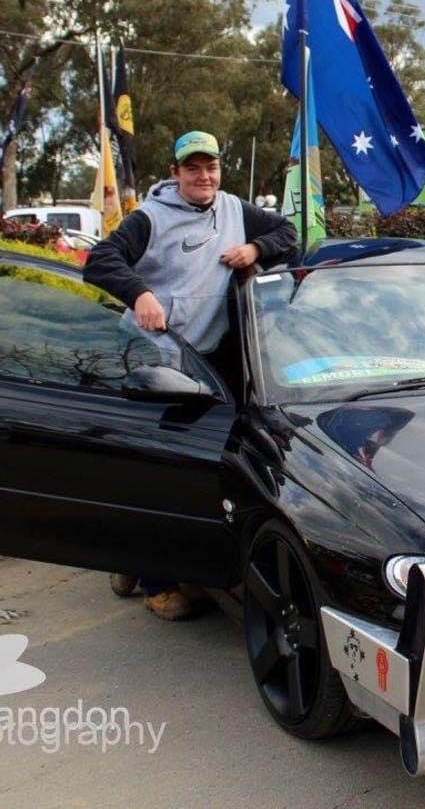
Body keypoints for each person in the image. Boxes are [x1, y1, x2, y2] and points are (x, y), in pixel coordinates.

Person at [83, 129, 298, 621]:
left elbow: (288, 234)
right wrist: (139, 294)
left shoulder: (233, 208)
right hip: (153, 358)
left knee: (199, 469)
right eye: (193, 168)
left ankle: (131, 561)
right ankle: (155, 579)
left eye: (211, 167)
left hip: (207, 360)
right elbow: (100, 261)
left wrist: (255, 250)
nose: (204, 177)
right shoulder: (150, 218)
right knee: (157, 471)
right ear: (175, 172)